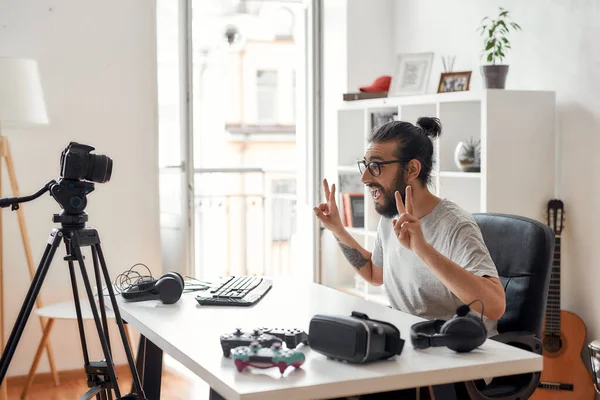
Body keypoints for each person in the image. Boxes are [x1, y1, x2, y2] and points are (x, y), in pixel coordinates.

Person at [314, 117, 505, 399]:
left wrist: (423, 249)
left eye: (376, 166)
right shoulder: (392, 216)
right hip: (410, 351)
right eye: (365, 166)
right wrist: (337, 229)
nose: (366, 178)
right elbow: (373, 273)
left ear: (412, 168)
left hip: (457, 366)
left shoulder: (455, 225)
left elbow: (495, 305)